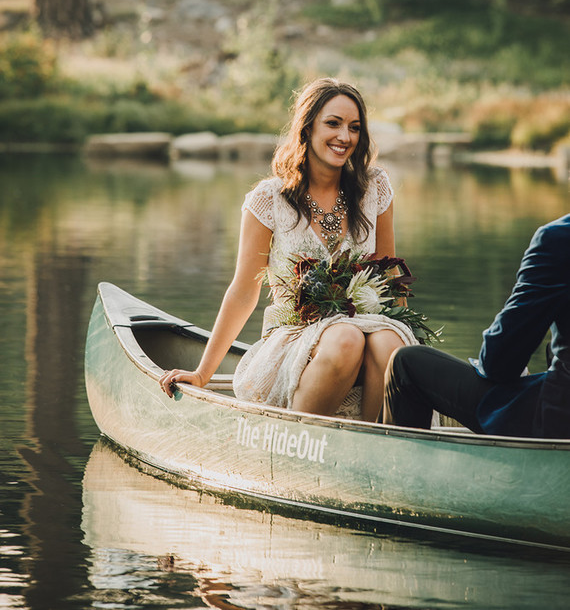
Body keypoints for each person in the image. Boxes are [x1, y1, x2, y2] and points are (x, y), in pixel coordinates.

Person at [160, 77, 419, 421]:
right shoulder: (270, 200)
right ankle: (297, 441)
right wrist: (203, 373)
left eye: (354, 128)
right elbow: (242, 291)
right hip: (295, 334)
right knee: (346, 338)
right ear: (307, 128)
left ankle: (378, 448)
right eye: (333, 123)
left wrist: (399, 328)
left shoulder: (374, 188)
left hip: (365, 323)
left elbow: (389, 276)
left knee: (391, 346)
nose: (345, 137)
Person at [383, 213, 570, 438]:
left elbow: (499, 363)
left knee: (406, 363)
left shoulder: (558, 239)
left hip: (558, 419)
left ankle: (398, 470)